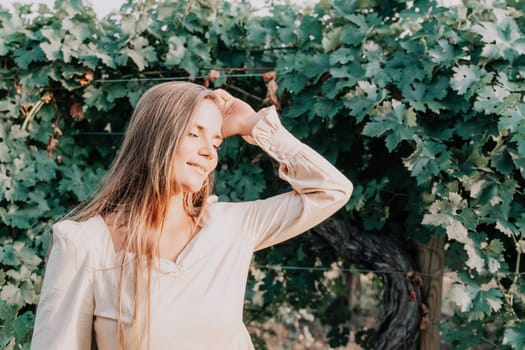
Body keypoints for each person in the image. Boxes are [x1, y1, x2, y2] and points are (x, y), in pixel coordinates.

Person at [30, 81, 353, 350]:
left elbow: (332, 189)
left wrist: (256, 126)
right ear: (155, 136)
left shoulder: (231, 227)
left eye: (216, 141)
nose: (209, 151)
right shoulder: (85, 244)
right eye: (194, 134)